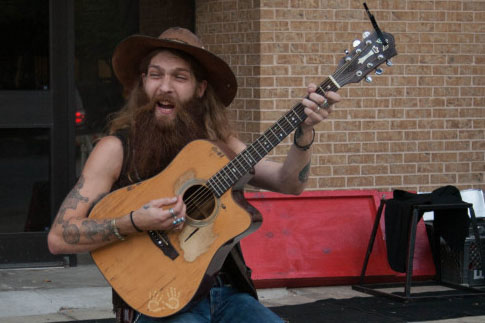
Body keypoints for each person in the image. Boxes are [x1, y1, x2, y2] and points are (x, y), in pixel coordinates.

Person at [47, 27, 341, 323]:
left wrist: (304, 135)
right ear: (143, 82)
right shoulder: (115, 149)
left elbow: (288, 183)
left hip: (227, 295)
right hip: (159, 300)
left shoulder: (220, 146)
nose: (165, 87)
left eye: (179, 77)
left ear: (200, 88)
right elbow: (59, 237)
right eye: (155, 74)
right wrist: (134, 221)